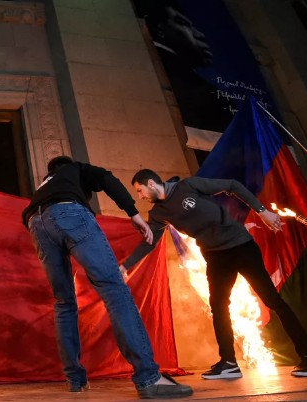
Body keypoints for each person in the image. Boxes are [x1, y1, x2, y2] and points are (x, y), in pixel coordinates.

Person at [124, 169, 307, 379]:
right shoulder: (158, 214)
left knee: (272, 300)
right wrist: (124, 267)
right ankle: (229, 363)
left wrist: (262, 211)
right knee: (219, 307)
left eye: (140, 191)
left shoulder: (189, 186)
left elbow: (232, 184)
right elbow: (148, 243)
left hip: (241, 246)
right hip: (215, 257)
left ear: (151, 183)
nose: (141, 196)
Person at [22, 156, 193, 398]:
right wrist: (133, 214)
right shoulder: (76, 169)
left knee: (63, 303)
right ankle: (149, 378)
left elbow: (39, 216)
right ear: (67, 164)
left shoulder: (45, 185)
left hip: (36, 223)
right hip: (69, 211)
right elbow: (107, 179)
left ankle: (75, 380)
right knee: (115, 291)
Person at [139, 0, 235, 133]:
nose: (199, 35)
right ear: (159, 29)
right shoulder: (170, 72)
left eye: (193, 26)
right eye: (183, 23)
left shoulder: (193, 78)